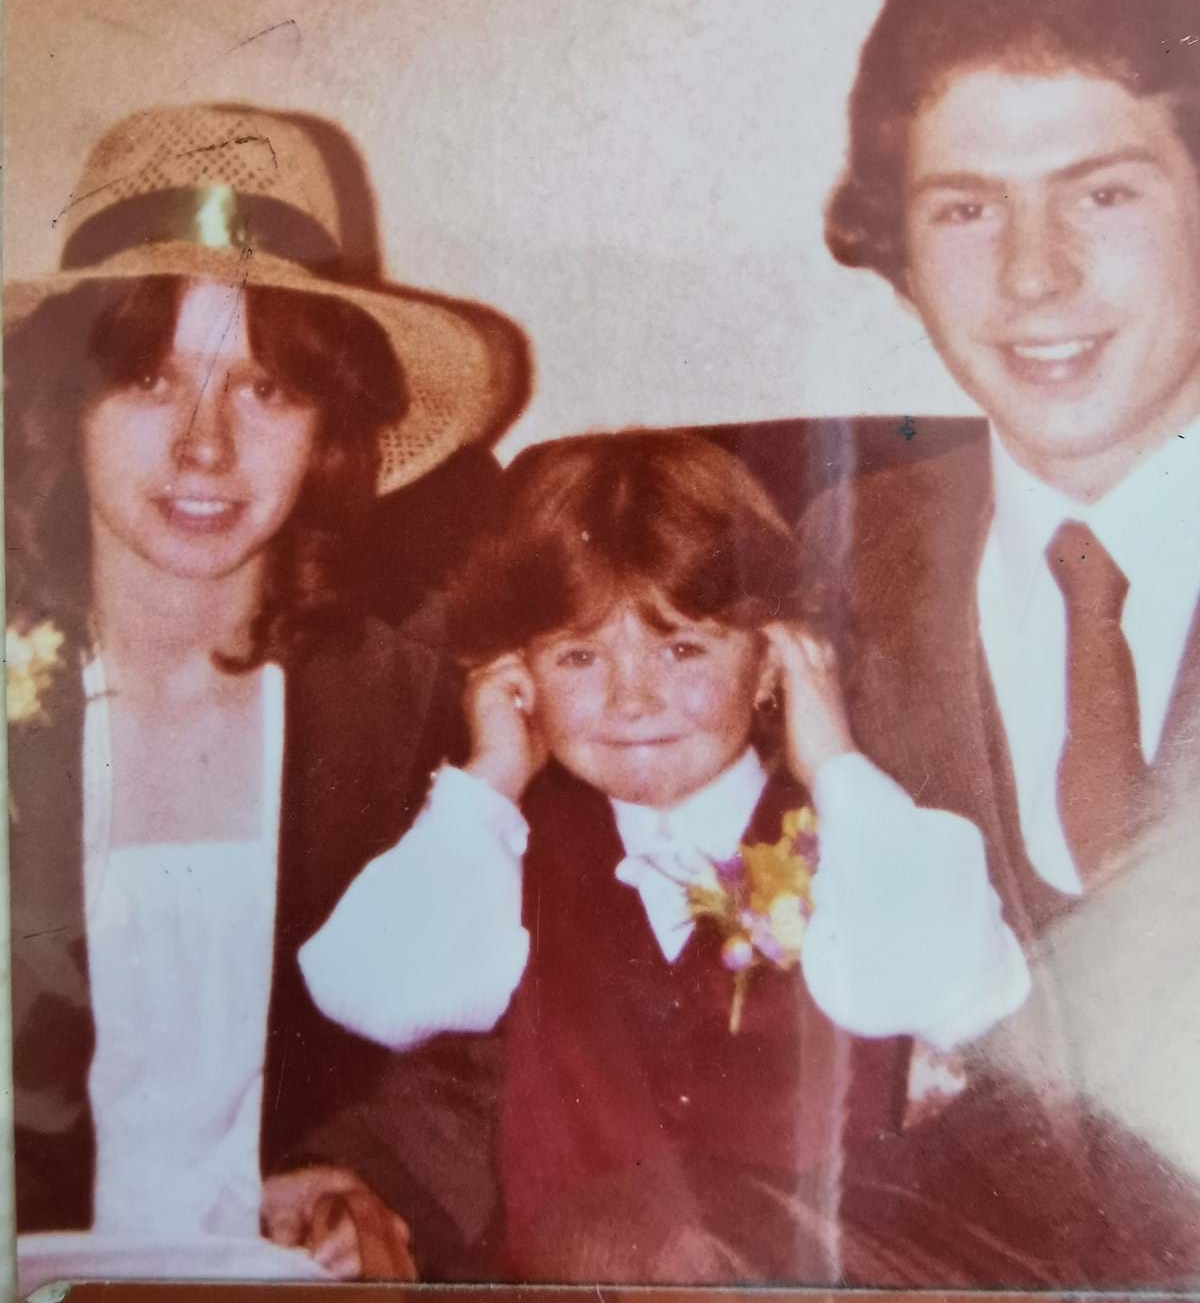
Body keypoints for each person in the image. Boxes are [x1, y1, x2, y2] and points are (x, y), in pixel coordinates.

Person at [299, 428, 1028, 1280]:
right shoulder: (502, 863)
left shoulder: (865, 844)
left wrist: (832, 760)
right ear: (518, 676)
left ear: (772, 661)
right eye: (578, 657)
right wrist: (490, 773)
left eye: (682, 647)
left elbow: (944, 992)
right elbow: (371, 995)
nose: (631, 699)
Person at [4, 103, 522, 1281]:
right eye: (148, 378)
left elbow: (484, 1031)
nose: (204, 447)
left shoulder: (411, 703)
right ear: (60, 409)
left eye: (267, 390)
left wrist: (374, 1184)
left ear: (332, 430)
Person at [816, 0, 1200, 1280]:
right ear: (900, 253)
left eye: (1103, 192)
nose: (1036, 277)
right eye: (967, 208)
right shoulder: (818, 577)